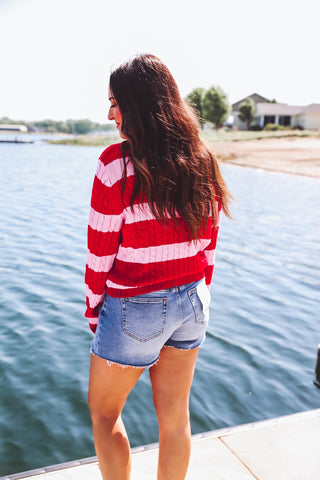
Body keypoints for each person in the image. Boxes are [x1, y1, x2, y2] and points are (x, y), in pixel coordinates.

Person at [85, 53, 232, 480]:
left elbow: (99, 254)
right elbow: (209, 245)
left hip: (134, 307)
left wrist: (94, 312)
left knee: (104, 414)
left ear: (137, 104)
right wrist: (199, 293)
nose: (110, 114)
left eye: (115, 103)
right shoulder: (202, 158)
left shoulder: (116, 165)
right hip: (192, 301)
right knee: (175, 420)